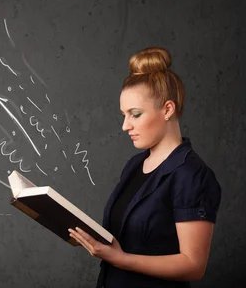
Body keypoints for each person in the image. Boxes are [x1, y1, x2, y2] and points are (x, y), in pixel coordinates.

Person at [68, 47, 222, 287]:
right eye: (123, 115)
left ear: (168, 109)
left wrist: (121, 260)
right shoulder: (134, 165)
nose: (125, 126)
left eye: (135, 114)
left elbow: (193, 265)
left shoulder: (192, 175)